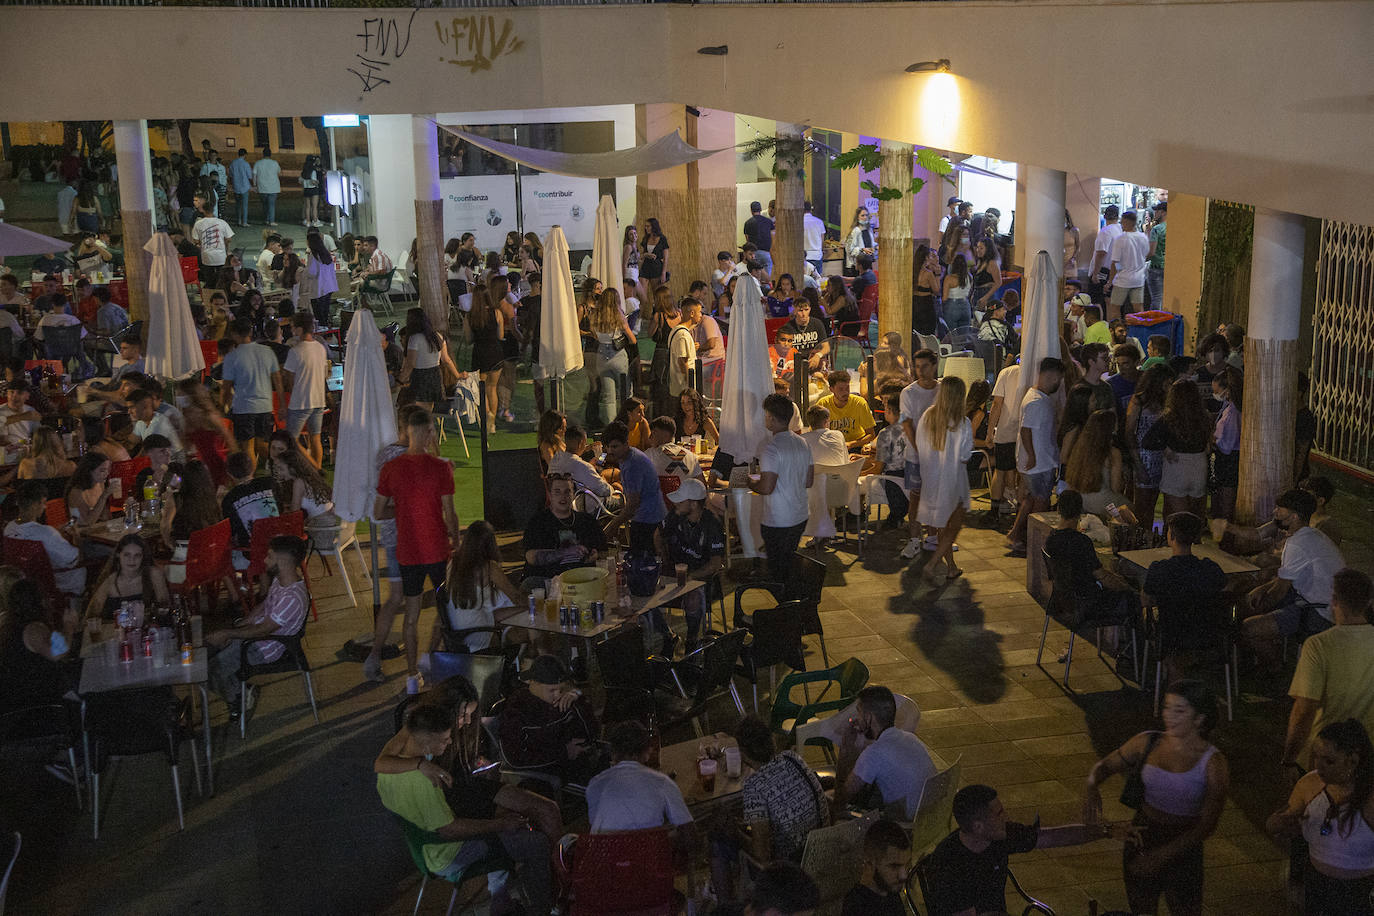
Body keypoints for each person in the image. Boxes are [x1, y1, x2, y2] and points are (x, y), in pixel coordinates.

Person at [376, 703, 554, 916]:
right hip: (447, 853)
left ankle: (501, 903)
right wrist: (500, 824)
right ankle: (542, 909)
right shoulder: (424, 781)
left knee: (501, 826)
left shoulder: (389, 769)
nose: (450, 741)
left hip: (423, 847)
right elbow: (449, 829)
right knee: (536, 842)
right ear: (426, 742)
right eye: (444, 739)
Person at [1083, 680, 1229, 916]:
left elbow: (1207, 825)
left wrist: (1162, 856)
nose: (1169, 716)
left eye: (1179, 711)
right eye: (1167, 707)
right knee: (1142, 909)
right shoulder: (1147, 742)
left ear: (1199, 719)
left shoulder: (1213, 764)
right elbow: (1105, 766)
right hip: (1144, 834)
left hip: (1184, 844)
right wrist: (1092, 785)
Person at [925, 783, 1129, 916]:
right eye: (999, 813)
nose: (1007, 817)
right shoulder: (950, 865)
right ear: (978, 826)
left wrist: (1106, 831)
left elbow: (1053, 837)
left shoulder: (998, 836)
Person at [374, 408, 460, 685]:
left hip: (408, 555)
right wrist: (455, 541)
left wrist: (402, 511)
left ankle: (412, 675)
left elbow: (378, 512)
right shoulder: (441, 467)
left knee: (411, 615)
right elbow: (451, 513)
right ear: (427, 433)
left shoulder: (391, 469)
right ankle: (432, 655)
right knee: (443, 606)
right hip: (436, 553)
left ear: (407, 432)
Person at [1267, 718, 1374, 916]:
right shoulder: (1309, 785)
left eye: (1329, 760)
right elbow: (1276, 824)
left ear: (1353, 760)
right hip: (1316, 883)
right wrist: (1281, 823)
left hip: (1359, 892)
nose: (1319, 766)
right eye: (1316, 757)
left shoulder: (1369, 797)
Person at [1283, 569, 1374, 771]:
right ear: (1369, 602)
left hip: (1323, 757)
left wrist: (1289, 757)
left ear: (1334, 600)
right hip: (1366, 754)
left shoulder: (1318, 646)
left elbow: (1304, 710)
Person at [1243, 489, 1346, 661]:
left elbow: (1279, 592)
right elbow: (1286, 578)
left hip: (1318, 613)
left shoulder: (1297, 544)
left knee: (1248, 628)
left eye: (1280, 509)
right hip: (1326, 603)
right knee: (1262, 585)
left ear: (1294, 516)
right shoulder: (1312, 535)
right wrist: (1262, 588)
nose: (1274, 512)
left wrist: (1255, 610)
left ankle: (1275, 668)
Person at [498, 654, 604, 784]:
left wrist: (577, 697)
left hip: (575, 763)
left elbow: (592, 732)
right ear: (534, 682)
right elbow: (514, 759)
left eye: (561, 689)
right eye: (552, 690)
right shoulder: (516, 711)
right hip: (544, 776)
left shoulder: (562, 701)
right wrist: (564, 752)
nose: (557, 695)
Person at [835, 685, 936, 820]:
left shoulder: (873, 753)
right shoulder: (911, 738)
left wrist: (845, 750)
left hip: (905, 825)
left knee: (833, 808)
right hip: (931, 817)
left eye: (859, 712)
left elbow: (841, 798)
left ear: (869, 717)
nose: (857, 718)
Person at [1004, 357, 1066, 557]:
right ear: (1053, 376)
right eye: (1059, 379)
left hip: (1037, 462)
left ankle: (1015, 533)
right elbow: (1026, 431)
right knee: (1041, 502)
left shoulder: (1034, 397)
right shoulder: (1036, 401)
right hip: (1039, 463)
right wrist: (1032, 456)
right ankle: (1036, 541)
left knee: (1030, 500)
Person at [654, 478, 725, 652]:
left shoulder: (712, 524)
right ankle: (668, 636)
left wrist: (692, 576)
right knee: (643, 591)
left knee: (693, 596)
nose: (676, 503)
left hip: (699, 576)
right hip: (674, 570)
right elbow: (658, 535)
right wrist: (662, 558)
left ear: (693, 504)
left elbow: (716, 564)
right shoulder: (676, 515)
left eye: (681, 500)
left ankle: (692, 640)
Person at [914, 376, 973, 582]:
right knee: (953, 526)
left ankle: (951, 567)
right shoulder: (962, 423)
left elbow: (920, 448)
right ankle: (933, 564)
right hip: (954, 481)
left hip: (931, 479)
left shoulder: (927, 417)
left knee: (942, 525)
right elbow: (965, 457)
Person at [586, 720, 694, 833]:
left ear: (613, 753)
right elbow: (689, 834)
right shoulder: (662, 782)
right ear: (647, 752)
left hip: (605, 849)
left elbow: (598, 826)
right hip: (649, 849)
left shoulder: (594, 784)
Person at [750, 393, 813, 583]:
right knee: (789, 564)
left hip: (778, 519)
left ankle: (783, 605)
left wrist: (751, 482)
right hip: (800, 514)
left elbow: (767, 487)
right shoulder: (803, 443)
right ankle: (792, 602)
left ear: (770, 418)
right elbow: (808, 481)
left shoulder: (771, 448)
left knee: (778, 570)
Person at [439, 520, 524, 652]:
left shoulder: (453, 563)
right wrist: (535, 604)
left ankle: (526, 650)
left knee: (499, 614)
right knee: (527, 611)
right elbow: (515, 596)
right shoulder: (488, 567)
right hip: (476, 632)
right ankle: (530, 650)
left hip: (456, 629)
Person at [1139, 377, 1209, 520]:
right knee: (1195, 515)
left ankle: (1174, 540)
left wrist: (1165, 447)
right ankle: (1194, 540)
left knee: (1178, 516)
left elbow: (1147, 441)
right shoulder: (1203, 417)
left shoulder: (1169, 418)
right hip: (1199, 465)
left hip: (1176, 467)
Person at [220, 317, 283, 471]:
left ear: (234, 334)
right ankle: (280, 468)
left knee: (248, 446)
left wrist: (222, 407)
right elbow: (278, 381)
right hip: (265, 404)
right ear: (250, 332)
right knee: (263, 444)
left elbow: (226, 388)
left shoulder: (231, 357)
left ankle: (250, 479)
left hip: (243, 406)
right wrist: (282, 405)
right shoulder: (267, 351)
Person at [4, 481, 85, 599]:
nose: (45, 507)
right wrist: (77, 538)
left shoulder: (9, 528)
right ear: (35, 505)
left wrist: (54, 532)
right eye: (43, 503)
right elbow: (76, 559)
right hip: (60, 584)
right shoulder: (46, 533)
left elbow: (35, 534)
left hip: (26, 584)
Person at [897, 348, 942, 558]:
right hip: (915, 456)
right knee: (915, 498)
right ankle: (915, 539)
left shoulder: (942, 390)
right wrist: (920, 450)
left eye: (924, 366)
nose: (920, 371)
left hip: (938, 455)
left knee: (934, 499)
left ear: (934, 366)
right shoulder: (909, 393)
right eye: (917, 367)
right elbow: (907, 425)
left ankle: (933, 537)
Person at [522, 473, 606, 584]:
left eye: (567, 492)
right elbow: (531, 557)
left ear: (573, 495)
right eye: (557, 492)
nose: (563, 496)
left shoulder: (586, 521)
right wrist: (566, 552)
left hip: (582, 578)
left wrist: (594, 555)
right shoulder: (538, 522)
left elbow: (603, 551)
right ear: (550, 495)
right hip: (548, 579)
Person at [603, 419, 668, 553]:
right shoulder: (627, 457)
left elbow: (632, 505)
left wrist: (611, 527)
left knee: (641, 563)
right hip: (647, 517)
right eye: (607, 447)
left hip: (649, 521)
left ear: (626, 444)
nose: (610, 451)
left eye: (614, 447)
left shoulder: (633, 464)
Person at [85, 532, 170, 622]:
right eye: (127, 555)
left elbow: (164, 605)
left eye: (137, 555)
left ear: (143, 557)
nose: (132, 560)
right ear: (118, 555)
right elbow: (91, 615)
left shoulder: (154, 574)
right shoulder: (109, 582)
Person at [282, 312, 329, 468]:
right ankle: (318, 468)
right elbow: (323, 374)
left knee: (291, 440)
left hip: (300, 402)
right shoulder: (320, 348)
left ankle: (311, 466)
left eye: (293, 327)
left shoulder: (295, 351)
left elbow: (288, 381)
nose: (292, 330)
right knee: (315, 438)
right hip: (318, 399)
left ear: (300, 329)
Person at [220, 450, 278, 569]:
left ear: (229, 474)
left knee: (223, 554)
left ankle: (241, 586)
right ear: (253, 467)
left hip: (252, 553)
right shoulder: (270, 483)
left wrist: (219, 502)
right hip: (280, 544)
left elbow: (233, 532)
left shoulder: (229, 499)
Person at [840, 819, 911, 916]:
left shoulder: (890, 891)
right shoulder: (858, 907)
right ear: (869, 864)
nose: (903, 876)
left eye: (906, 865)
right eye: (894, 866)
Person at [396, 307, 459, 414]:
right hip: (435, 375)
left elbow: (410, 364)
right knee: (428, 409)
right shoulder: (437, 336)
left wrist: (400, 380)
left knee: (420, 411)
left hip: (420, 376)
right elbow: (446, 359)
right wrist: (457, 375)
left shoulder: (414, 338)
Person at [1210, 365, 1243, 522]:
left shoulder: (1233, 412)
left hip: (1229, 461)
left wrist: (1212, 439)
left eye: (1217, 391)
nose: (1215, 395)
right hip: (1227, 460)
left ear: (1227, 390)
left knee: (1227, 504)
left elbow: (1226, 444)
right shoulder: (1228, 406)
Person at [815, 370, 875, 450]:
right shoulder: (822, 404)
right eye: (840, 389)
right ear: (831, 389)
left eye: (847, 388)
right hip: (831, 447)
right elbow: (815, 433)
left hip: (856, 446)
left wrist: (851, 444)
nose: (845, 392)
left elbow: (871, 434)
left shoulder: (859, 403)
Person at [776, 296, 830, 371]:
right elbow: (783, 349)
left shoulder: (817, 323)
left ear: (810, 309)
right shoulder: (788, 327)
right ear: (794, 311)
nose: (803, 314)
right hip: (795, 363)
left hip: (814, 360)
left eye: (806, 310)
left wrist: (818, 355)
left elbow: (826, 347)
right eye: (800, 310)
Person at [646, 415, 703, 482]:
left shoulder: (649, 455)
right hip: (685, 492)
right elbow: (702, 485)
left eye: (654, 433)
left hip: (660, 492)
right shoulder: (691, 457)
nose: (650, 437)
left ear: (665, 434)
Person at [1088, 204, 1123, 303]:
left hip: (1103, 272)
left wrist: (1095, 273)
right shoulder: (1120, 230)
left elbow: (1101, 253)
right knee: (1113, 303)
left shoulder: (1105, 231)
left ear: (1104, 216)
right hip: (1116, 271)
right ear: (1118, 216)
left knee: (1098, 303)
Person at [744, 201, 775, 278]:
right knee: (767, 278)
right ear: (760, 210)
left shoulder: (748, 223)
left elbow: (747, 240)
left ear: (751, 210)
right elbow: (773, 238)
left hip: (753, 254)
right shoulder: (769, 221)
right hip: (766, 253)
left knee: (755, 277)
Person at [251, 147, 281, 226]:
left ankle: (266, 219)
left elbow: (254, 175)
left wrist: (254, 185)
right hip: (273, 187)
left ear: (263, 154)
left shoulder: (258, 163)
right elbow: (279, 173)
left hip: (262, 187)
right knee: (271, 204)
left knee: (264, 205)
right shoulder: (275, 163)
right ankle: (272, 221)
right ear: (270, 154)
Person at [845, 207, 876, 276]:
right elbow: (849, 249)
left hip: (867, 264)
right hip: (857, 266)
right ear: (857, 217)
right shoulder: (855, 230)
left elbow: (871, 243)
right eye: (862, 215)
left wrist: (875, 247)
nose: (865, 217)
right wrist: (862, 249)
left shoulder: (869, 229)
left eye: (866, 215)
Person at [228, 149, 252, 227]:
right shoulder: (246, 164)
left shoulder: (233, 163)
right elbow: (249, 175)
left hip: (236, 186)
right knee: (245, 205)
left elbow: (230, 175)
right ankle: (244, 222)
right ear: (245, 155)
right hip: (245, 186)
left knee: (238, 205)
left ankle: (238, 220)